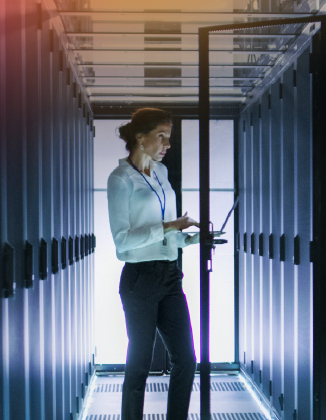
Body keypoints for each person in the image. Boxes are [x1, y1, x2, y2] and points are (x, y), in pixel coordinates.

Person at [105, 107, 200, 418]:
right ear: (139, 137)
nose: (167, 145)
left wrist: (190, 239)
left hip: (170, 275)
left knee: (186, 359)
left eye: (168, 138)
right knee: (140, 364)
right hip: (139, 280)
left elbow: (168, 232)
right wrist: (170, 227)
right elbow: (122, 241)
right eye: (161, 137)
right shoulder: (120, 179)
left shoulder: (161, 173)